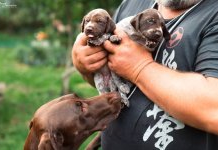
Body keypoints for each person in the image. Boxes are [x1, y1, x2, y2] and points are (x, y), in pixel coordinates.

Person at [72, 0, 218, 149]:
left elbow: (214, 111)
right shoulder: (131, 4)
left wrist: (140, 68)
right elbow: (111, 77)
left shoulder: (213, 14)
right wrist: (86, 66)